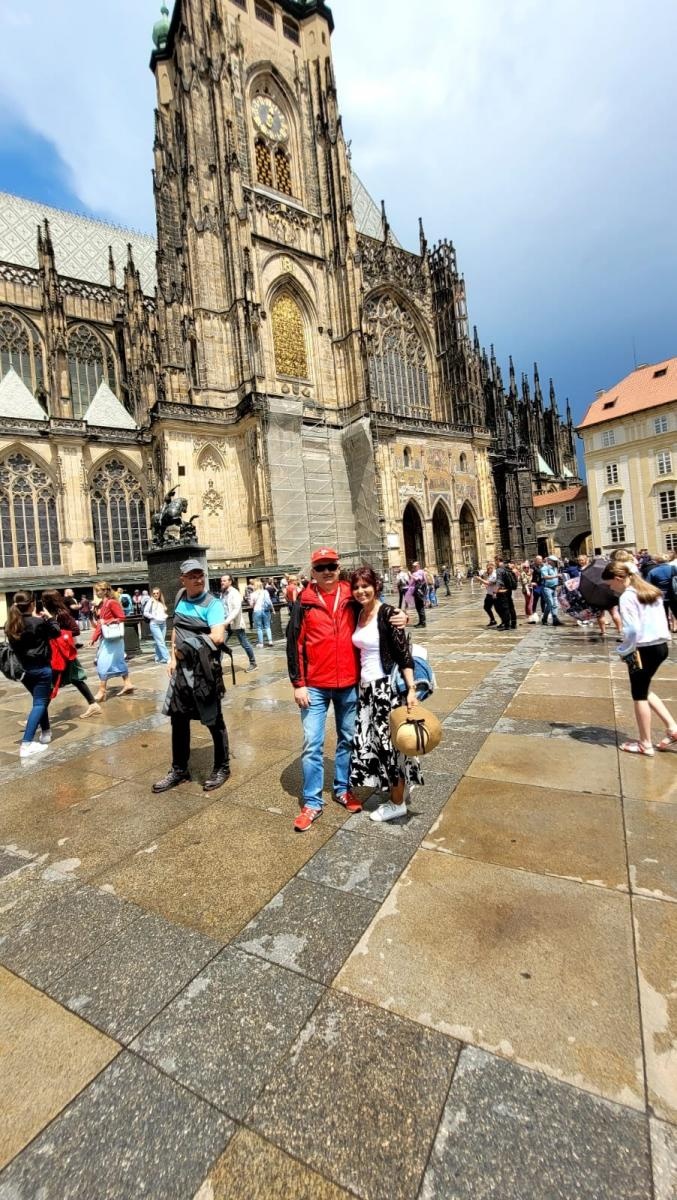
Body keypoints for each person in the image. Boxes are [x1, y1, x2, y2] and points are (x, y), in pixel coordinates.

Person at [286, 546, 408, 832]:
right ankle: (312, 802)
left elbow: (378, 610)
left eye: (331, 566)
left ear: (339, 568)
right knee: (312, 744)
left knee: (348, 740)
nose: (327, 571)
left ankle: (342, 788)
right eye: (321, 567)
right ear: (312, 571)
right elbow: (295, 644)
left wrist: (403, 617)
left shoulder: (351, 596)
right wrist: (298, 683)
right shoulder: (303, 601)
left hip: (349, 684)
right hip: (314, 686)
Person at [348, 566, 423, 823]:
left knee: (391, 747)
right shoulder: (359, 613)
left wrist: (411, 689)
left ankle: (397, 802)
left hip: (385, 690)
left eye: (365, 586)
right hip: (367, 689)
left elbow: (404, 655)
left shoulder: (388, 613)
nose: (360, 591)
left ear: (376, 585)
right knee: (378, 745)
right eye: (356, 587)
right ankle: (397, 790)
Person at [153, 559, 230, 793]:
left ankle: (222, 767)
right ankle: (179, 769)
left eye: (201, 575)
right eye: (192, 575)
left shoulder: (213, 603)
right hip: (181, 672)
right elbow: (176, 628)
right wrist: (173, 657)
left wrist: (186, 649)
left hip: (203, 670)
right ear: (183, 579)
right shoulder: (179, 597)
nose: (198, 579)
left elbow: (217, 636)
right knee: (178, 718)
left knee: (213, 720)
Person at [602, 560, 677, 755]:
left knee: (639, 695)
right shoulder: (650, 591)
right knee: (644, 689)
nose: (611, 589)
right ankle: (672, 727)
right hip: (661, 646)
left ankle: (645, 743)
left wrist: (624, 650)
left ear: (619, 578)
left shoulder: (627, 596)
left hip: (642, 650)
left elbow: (632, 630)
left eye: (611, 584)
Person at [5, 591, 60, 758]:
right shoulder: (37, 622)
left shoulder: (11, 624)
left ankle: (46, 732)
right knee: (40, 703)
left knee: (39, 700)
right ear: (32, 604)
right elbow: (56, 632)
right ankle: (26, 743)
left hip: (24, 670)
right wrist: (50, 617)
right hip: (41, 668)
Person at [40, 590, 102, 717]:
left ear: (50, 601)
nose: (42, 602)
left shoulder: (61, 614)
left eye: (44, 599)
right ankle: (93, 704)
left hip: (63, 652)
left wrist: (58, 633)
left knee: (53, 682)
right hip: (56, 652)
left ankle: (37, 715)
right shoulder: (47, 614)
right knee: (74, 680)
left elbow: (75, 629)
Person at [91, 581, 134, 701]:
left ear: (105, 590)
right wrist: (94, 637)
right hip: (108, 637)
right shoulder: (103, 603)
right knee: (118, 660)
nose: (97, 593)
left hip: (113, 638)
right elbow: (100, 623)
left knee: (102, 662)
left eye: (98, 590)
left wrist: (109, 621)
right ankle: (128, 683)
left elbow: (121, 617)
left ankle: (102, 690)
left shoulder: (111, 602)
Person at [221, 574, 257, 671]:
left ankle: (253, 663)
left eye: (224, 581)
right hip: (225, 623)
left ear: (230, 582)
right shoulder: (223, 593)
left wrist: (227, 621)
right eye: (221, 581)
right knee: (220, 644)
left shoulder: (235, 593)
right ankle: (217, 667)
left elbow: (236, 609)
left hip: (234, 623)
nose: (222, 582)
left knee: (244, 643)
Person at [647, 554, 677, 631]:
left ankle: (666, 630)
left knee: (663, 615)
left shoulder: (653, 572)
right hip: (674, 594)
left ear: (656, 561)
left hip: (660, 596)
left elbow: (648, 585)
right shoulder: (674, 568)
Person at [143, 587, 170, 664]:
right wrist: (153, 617)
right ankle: (167, 658)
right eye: (154, 593)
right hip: (154, 624)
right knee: (161, 641)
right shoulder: (150, 601)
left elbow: (162, 611)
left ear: (160, 593)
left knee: (160, 641)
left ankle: (158, 658)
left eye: (157, 593)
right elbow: (145, 612)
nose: (155, 595)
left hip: (163, 624)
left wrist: (165, 615)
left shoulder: (161, 602)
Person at [494, 556, 518, 630]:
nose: (495, 562)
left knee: (505, 608)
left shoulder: (499, 569)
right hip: (509, 590)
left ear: (498, 560)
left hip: (503, 591)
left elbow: (499, 581)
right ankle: (514, 623)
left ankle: (507, 625)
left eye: (495, 561)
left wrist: (495, 591)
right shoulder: (507, 568)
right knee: (511, 606)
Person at [250, 577, 274, 649]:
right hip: (266, 610)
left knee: (259, 628)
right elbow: (269, 601)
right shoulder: (265, 592)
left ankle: (261, 643)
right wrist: (272, 609)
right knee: (267, 626)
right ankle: (270, 641)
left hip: (257, 611)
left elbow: (251, 604)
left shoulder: (253, 594)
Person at [540, 555, 563, 626]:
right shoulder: (544, 568)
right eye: (554, 561)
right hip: (547, 588)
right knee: (550, 603)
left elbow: (557, 576)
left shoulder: (555, 568)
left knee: (555, 604)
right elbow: (545, 577)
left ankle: (555, 619)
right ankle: (545, 618)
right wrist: (556, 576)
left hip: (554, 588)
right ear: (549, 561)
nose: (555, 563)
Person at [476, 561, 498, 627]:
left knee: (497, 609)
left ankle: (501, 621)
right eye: (487, 568)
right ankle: (493, 620)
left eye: (489, 568)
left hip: (493, 594)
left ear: (492, 568)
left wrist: (480, 579)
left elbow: (489, 583)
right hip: (489, 594)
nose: (487, 570)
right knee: (486, 607)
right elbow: (488, 583)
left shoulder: (494, 575)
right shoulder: (490, 574)